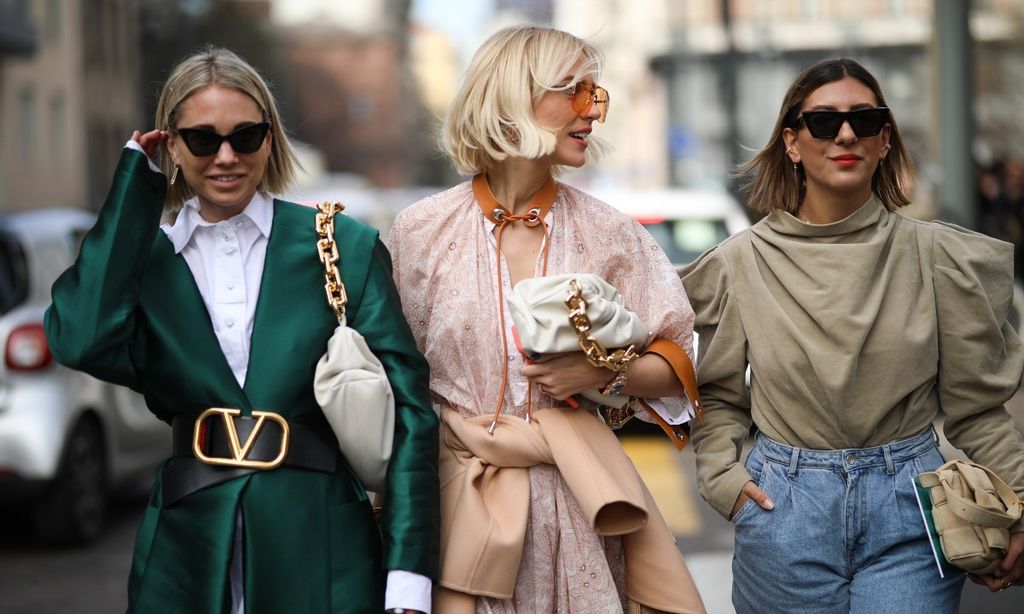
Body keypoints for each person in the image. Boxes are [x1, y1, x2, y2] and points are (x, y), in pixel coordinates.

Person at [44, 46, 439, 614]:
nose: (225, 156)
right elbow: (77, 338)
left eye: (245, 136)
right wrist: (136, 183)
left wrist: (408, 575)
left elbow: (411, 413)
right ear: (172, 146)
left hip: (322, 547)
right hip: (185, 552)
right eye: (203, 139)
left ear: (270, 138)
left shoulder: (340, 246)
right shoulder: (145, 264)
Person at [681, 57, 1024, 613]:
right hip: (781, 511)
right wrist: (724, 480)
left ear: (884, 140)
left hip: (911, 510)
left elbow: (978, 409)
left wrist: (1022, 501)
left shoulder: (936, 258)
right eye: (823, 122)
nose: (845, 134)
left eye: (865, 121)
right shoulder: (740, 264)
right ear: (792, 143)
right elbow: (719, 395)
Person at [388, 26, 705, 614]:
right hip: (461, 501)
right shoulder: (419, 232)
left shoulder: (611, 233)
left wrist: (603, 377)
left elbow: (678, 358)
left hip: (584, 508)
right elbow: (394, 389)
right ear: (514, 96)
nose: (593, 111)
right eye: (574, 91)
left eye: (597, 95)